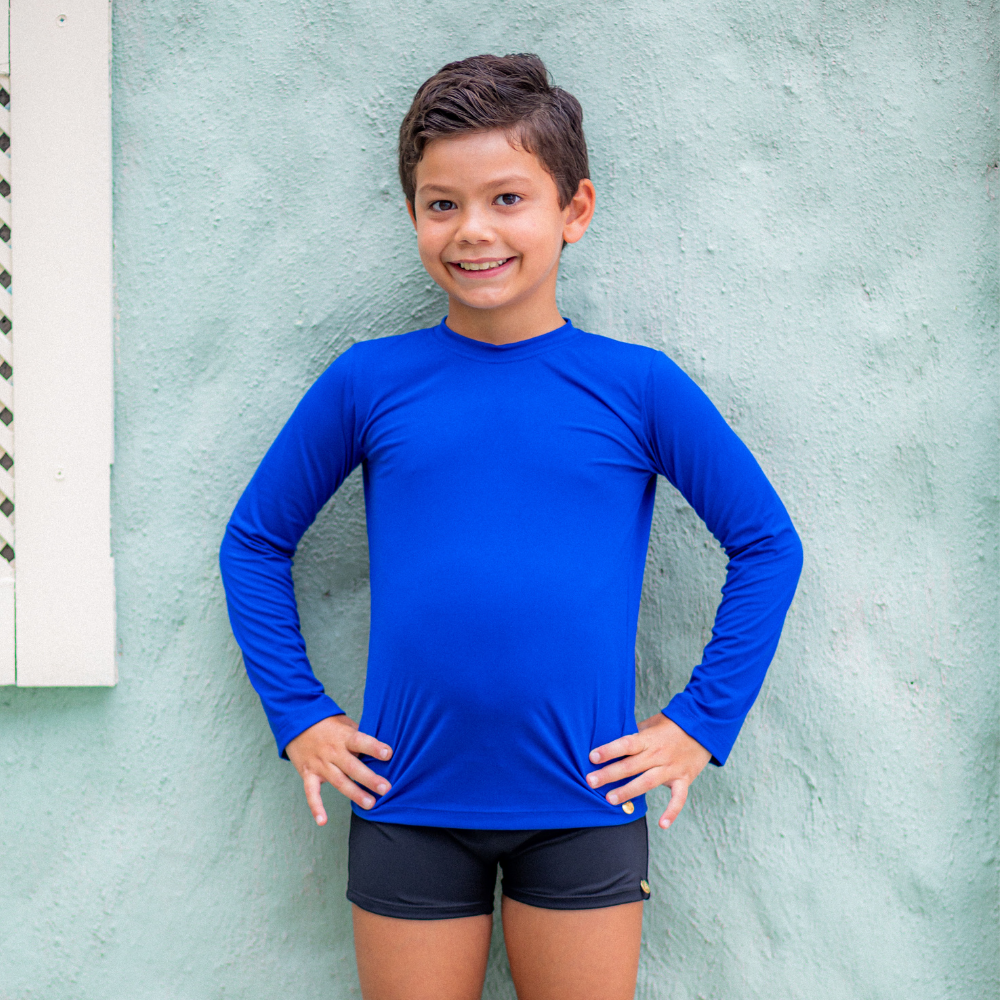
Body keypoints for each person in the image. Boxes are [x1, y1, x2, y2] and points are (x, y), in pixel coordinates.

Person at [219, 53, 802, 1000]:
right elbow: (253, 543)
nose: (473, 230)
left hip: (584, 802)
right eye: (442, 204)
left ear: (574, 210)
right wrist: (301, 715)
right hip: (407, 799)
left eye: (507, 199)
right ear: (414, 216)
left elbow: (769, 545)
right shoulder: (369, 382)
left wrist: (701, 721)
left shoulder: (637, 387)